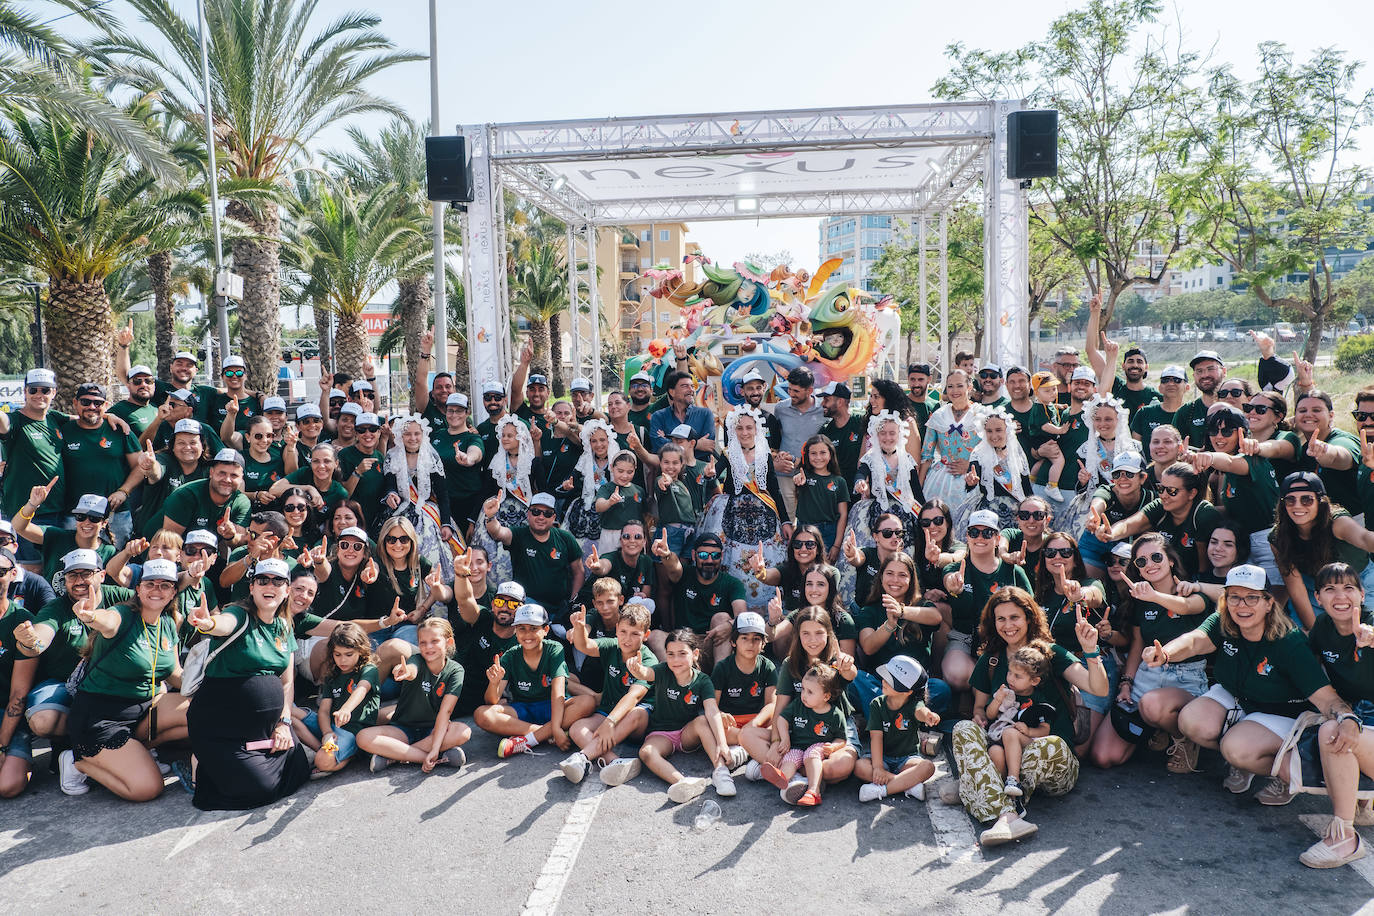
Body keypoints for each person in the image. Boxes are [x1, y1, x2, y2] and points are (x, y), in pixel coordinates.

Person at [1168, 564, 1350, 809]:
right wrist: (1166, 652)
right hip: (1241, 698)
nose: (1242, 605)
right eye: (1235, 597)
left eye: (1252, 597)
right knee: (1192, 720)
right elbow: (1194, 641)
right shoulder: (1223, 621)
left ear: (1268, 603)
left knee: (1237, 749)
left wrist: (1346, 718)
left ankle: (1287, 776)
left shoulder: (1289, 642)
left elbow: (1325, 697)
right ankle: (1243, 761)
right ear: (1225, 601)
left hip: (1282, 711)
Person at [953, 587, 1108, 846]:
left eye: (1014, 617)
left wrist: (1091, 652)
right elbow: (979, 708)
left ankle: (981, 790)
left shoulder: (1051, 654)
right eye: (1000, 619)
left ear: (1029, 618)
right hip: (1004, 752)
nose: (1007, 625)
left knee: (1049, 745)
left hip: (1050, 761)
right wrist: (980, 717)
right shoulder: (990, 660)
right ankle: (1008, 814)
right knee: (963, 728)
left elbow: (1099, 689)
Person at [52, 559, 188, 801]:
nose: (157, 590)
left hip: (142, 711)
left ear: (173, 591)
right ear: (138, 588)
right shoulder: (123, 615)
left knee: (202, 711)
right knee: (147, 788)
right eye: (150, 584)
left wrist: (205, 685)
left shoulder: (167, 623)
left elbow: (174, 672)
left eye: (165, 585)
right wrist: (91, 616)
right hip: (101, 719)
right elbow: (106, 621)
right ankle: (77, 762)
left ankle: (134, 753)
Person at [181, 557, 311, 809]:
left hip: (266, 729)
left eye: (277, 581)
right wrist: (208, 624)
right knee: (260, 790)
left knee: (299, 772)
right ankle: (203, 765)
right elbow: (223, 624)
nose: (269, 586)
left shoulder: (284, 626)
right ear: (251, 587)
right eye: (262, 580)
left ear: (286, 591)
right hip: (222, 728)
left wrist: (283, 723)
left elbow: (286, 682)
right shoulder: (239, 614)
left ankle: (214, 765)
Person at [1089, 533, 1212, 773]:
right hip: (1147, 676)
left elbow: (1188, 608)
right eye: (1141, 561)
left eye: (1156, 557)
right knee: (1102, 756)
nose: (1150, 564)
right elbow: (1137, 645)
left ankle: (1181, 737)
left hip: (1185, 679)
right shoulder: (1140, 599)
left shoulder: (1188, 590)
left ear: (1172, 561)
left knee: (1152, 705)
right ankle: (1157, 728)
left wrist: (1154, 596)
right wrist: (1126, 683)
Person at [1300, 563, 1374, 868]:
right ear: (1318, 597)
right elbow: (1306, 661)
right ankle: (1364, 802)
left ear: (1362, 593)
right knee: (1326, 727)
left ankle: (1345, 837)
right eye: (1330, 589)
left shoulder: (1369, 624)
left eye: (1348, 588)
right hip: (1359, 715)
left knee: (1333, 733)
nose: (1340, 596)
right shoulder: (1323, 628)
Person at [624, 628, 734, 804]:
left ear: (695, 654)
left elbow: (712, 710)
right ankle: (683, 783)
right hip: (661, 734)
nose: (676, 660)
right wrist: (636, 669)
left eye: (682, 653)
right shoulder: (662, 671)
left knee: (702, 721)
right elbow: (645, 673)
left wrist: (722, 744)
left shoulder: (703, 680)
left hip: (686, 733)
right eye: (671, 654)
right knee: (646, 753)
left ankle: (721, 772)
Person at [698, 406, 790, 609]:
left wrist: (785, 520)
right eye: (740, 428)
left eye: (749, 427)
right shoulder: (728, 453)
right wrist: (711, 475)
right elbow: (714, 477)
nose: (745, 432)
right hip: (731, 513)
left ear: (757, 429)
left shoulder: (765, 455)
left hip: (764, 513)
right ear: (733, 430)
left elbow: (774, 490)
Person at [559, 599, 656, 784]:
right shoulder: (612, 645)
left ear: (646, 635)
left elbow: (633, 696)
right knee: (577, 729)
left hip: (637, 720)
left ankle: (583, 757)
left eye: (635, 634)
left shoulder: (649, 660)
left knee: (636, 713)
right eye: (623, 632)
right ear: (617, 628)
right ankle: (614, 761)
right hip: (609, 710)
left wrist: (610, 723)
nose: (627, 639)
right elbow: (584, 646)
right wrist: (579, 628)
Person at [356, 617, 471, 773]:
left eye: (435, 641)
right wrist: (405, 672)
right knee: (362, 737)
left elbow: (446, 712)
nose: (428, 647)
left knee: (464, 732)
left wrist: (435, 747)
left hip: (433, 730)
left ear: (449, 642)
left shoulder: (456, 670)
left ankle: (394, 756)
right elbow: (411, 670)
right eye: (422, 642)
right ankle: (433, 757)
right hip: (403, 729)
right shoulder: (416, 659)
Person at [1187, 406, 1281, 586]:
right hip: (1243, 541)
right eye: (1214, 431)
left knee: (1272, 598)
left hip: (1267, 541)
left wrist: (1209, 457)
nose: (1219, 437)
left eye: (1227, 431)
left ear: (1242, 433)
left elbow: (1230, 462)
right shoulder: (1224, 471)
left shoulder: (1250, 458)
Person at [942, 510, 1033, 693]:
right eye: (974, 532)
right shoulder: (956, 568)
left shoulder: (1013, 571)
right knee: (957, 673)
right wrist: (953, 586)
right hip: (966, 637)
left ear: (997, 538)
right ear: (967, 536)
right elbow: (949, 579)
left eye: (987, 533)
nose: (980, 538)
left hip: (1005, 637)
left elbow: (1032, 611)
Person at [1034, 531, 1110, 747]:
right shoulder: (1041, 592)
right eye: (1050, 552)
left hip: (1089, 664)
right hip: (1053, 666)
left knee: (1081, 746)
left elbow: (1094, 596)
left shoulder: (1091, 583)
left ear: (1076, 557)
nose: (1058, 556)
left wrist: (1079, 595)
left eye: (1065, 552)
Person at [1269, 472, 1374, 627]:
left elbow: (1365, 539)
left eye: (1307, 499)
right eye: (1290, 500)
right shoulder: (1279, 536)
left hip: (1360, 581)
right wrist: (1316, 636)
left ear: (1320, 501)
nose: (1297, 505)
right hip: (1315, 586)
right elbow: (1296, 590)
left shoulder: (1337, 523)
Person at [474, 603, 575, 758]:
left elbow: (558, 692)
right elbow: (491, 701)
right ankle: (543, 734)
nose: (527, 634)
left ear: (545, 630)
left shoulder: (554, 649)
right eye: (522, 628)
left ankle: (527, 740)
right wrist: (494, 683)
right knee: (482, 714)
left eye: (534, 628)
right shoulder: (510, 655)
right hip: (524, 710)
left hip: (554, 707)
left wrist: (555, 726)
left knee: (586, 702)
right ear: (515, 631)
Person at [854, 552, 948, 715]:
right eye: (889, 573)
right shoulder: (870, 610)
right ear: (881, 576)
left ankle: (886, 718)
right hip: (881, 685)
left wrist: (902, 611)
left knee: (941, 689)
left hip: (915, 688)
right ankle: (907, 718)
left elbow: (936, 617)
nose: (895, 580)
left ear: (911, 579)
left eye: (902, 575)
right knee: (856, 679)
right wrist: (889, 625)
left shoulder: (922, 605)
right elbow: (868, 647)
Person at [1095, 462, 1221, 579]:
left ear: (1192, 493)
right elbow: (1129, 525)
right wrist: (1111, 533)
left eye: (1172, 491)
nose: (1163, 495)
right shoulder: (1160, 506)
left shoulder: (1203, 514)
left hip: (1194, 583)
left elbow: (1204, 568)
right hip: (1165, 578)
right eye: (1161, 488)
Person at [0, 369, 70, 572]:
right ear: (25, 392)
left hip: (58, 512)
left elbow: (84, 418)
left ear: (54, 392)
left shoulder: (55, 418)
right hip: (26, 512)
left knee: (55, 569)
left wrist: (110, 417)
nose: (40, 395)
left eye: (45, 390)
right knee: (30, 569)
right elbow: (3, 422)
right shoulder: (15, 422)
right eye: (34, 390)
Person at [60, 382, 144, 547]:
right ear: (75, 403)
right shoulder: (63, 430)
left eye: (97, 403)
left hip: (115, 514)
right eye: (85, 402)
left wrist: (124, 491)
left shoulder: (120, 430)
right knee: (76, 563)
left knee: (117, 562)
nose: (92, 406)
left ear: (106, 405)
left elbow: (141, 467)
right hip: (75, 515)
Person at [481, 492, 584, 626]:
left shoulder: (565, 538)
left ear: (553, 517)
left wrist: (572, 602)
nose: (541, 517)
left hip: (560, 608)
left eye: (547, 513)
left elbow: (578, 572)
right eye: (536, 512)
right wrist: (490, 516)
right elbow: (498, 532)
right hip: (526, 606)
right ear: (528, 514)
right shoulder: (518, 534)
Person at [753, 662, 848, 807]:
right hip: (797, 745)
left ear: (826, 696)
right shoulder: (798, 704)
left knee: (812, 754)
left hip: (817, 746)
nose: (804, 695)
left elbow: (842, 738)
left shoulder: (835, 715)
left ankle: (813, 791)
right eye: (803, 689)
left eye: (810, 692)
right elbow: (782, 719)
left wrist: (833, 747)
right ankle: (782, 777)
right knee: (791, 758)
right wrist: (784, 738)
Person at [856, 654, 940, 803]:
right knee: (859, 767)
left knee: (927, 767)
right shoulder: (877, 704)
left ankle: (882, 789)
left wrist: (929, 716)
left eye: (891, 681)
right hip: (882, 757)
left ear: (908, 691)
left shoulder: (914, 704)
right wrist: (878, 768)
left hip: (907, 760)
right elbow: (876, 738)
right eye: (885, 676)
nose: (884, 681)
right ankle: (905, 784)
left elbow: (921, 712)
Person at [381, 415, 455, 578]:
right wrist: (391, 494)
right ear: (400, 435)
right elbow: (389, 485)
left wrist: (446, 523)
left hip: (428, 512)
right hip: (400, 513)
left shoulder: (431, 456)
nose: (413, 438)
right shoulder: (392, 456)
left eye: (417, 434)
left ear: (423, 434)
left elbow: (443, 494)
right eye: (408, 434)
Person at [657, 532, 746, 664]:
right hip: (682, 644)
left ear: (721, 556)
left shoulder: (732, 583)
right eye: (703, 555)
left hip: (711, 643)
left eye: (715, 555)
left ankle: (718, 680)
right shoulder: (684, 574)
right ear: (694, 555)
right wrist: (667, 555)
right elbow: (674, 567)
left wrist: (729, 625)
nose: (709, 560)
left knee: (722, 618)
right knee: (655, 636)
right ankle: (675, 680)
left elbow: (742, 616)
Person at [984, 644, 1057, 799]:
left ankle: (1014, 780)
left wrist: (1029, 731)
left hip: (1026, 744)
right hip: (1001, 741)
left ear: (1034, 681)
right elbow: (990, 715)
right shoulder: (1005, 692)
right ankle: (1004, 789)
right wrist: (997, 700)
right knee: (994, 752)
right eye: (1010, 672)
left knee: (1010, 733)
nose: (1011, 678)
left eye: (1018, 676)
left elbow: (1045, 730)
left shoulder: (1038, 700)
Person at [850, 410, 924, 559]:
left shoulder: (907, 459)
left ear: (899, 434)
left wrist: (924, 512)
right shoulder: (871, 457)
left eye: (892, 433)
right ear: (876, 435)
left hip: (904, 514)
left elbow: (916, 490)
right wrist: (860, 482)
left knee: (903, 554)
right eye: (883, 433)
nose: (888, 437)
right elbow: (860, 472)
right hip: (880, 513)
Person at [14, 488, 116, 591]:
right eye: (81, 516)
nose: (86, 522)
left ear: (104, 523)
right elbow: (18, 527)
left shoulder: (110, 552)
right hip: (51, 603)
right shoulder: (57, 536)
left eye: (94, 518)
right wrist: (32, 504)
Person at [708, 611, 776, 761]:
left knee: (779, 724)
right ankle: (751, 748)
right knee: (710, 726)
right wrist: (720, 713)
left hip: (758, 722)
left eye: (756, 639)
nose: (750, 644)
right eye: (744, 638)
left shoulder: (767, 667)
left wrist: (754, 724)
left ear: (763, 643)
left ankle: (745, 750)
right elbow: (712, 704)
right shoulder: (723, 667)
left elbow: (771, 705)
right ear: (733, 641)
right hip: (732, 722)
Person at [1080, 452, 1153, 578]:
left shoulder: (1152, 498)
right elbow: (1098, 503)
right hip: (1098, 542)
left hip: (1132, 547)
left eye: (1129, 474)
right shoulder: (1106, 490)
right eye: (1117, 474)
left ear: (1143, 478)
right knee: (1086, 577)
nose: (1122, 478)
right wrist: (1093, 517)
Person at [1288, 390, 1362, 515]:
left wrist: (1326, 452)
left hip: (1354, 523)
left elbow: (1340, 456)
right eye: (1302, 411)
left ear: (1331, 415)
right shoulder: (1304, 448)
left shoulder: (1343, 440)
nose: (1308, 414)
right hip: (1320, 525)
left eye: (1316, 410)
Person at [960, 407, 1033, 533]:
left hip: (1016, 513)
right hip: (989, 513)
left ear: (1007, 430)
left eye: (998, 430)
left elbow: (1026, 486)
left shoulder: (1016, 452)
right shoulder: (978, 453)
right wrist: (970, 482)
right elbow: (972, 479)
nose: (994, 436)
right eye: (989, 431)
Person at [0, 551, 37, 798]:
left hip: (9, 717)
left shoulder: (22, 621)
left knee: (8, 786)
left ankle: (22, 762)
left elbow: (19, 694)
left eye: (0, 572)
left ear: (13, 574)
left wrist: (1, 746)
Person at [136, 418, 212, 537]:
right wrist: (149, 466)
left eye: (193, 443)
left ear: (202, 446)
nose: (187, 447)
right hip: (152, 539)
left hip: (191, 543)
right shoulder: (165, 459)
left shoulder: (209, 470)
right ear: (172, 446)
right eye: (181, 443)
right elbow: (156, 472)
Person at [919, 370, 981, 514]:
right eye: (950, 386)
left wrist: (970, 465)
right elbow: (926, 456)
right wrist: (919, 490)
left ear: (969, 386)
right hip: (940, 479)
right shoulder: (938, 415)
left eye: (959, 385)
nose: (954, 391)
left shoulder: (981, 414)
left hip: (972, 478)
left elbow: (989, 451)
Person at [770, 366, 825, 520]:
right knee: (787, 519)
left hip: (811, 474)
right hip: (785, 475)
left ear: (809, 390)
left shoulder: (822, 409)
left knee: (810, 520)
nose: (791, 394)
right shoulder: (781, 408)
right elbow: (776, 438)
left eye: (796, 391)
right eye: (790, 389)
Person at [430, 393, 485, 539]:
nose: (454, 414)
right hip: (441, 502)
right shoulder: (437, 436)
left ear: (467, 413)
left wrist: (468, 459)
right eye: (450, 410)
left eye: (459, 411)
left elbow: (476, 452)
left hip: (468, 503)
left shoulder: (473, 437)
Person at [790, 435, 849, 560]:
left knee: (824, 570)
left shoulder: (839, 481)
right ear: (807, 455)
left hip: (828, 532)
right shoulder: (803, 475)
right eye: (813, 453)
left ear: (830, 454)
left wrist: (837, 545)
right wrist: (798, 478)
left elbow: (843, 515)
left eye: (823, 452)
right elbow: (798, 478)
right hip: (804, 530)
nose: (818, 457)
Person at [648, 370, 716, 458]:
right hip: (670, 470)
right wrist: (696, 444)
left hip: (698, 470)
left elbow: (708, 447)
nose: (691, 390)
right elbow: (658, 446)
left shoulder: (705, 414)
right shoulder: (659, 417)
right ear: (672, 392)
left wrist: (668, 441)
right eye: (685, 386)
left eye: (692, 386)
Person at [593, 451, 645, 556]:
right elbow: (598, 506)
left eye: (629, 472)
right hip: (611, 535)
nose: (625, 476)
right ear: (612, 468)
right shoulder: (607, 488)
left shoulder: (639, 490)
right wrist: (609, 502)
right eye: (620, 471)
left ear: (635, 469)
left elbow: (644, 516)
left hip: (633, 537)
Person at [1172, 350, 1226, 448]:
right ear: (1194, 376)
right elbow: (1175, 449)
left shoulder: (1237, 406)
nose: (1205, 375)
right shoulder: (1185, 412)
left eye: (1210, 369)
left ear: (1224, 371)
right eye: (1199, 371)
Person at [818, 381, 864, 486]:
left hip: (859, 488)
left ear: (840, 402)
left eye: (827, 400)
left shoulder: (860, 422)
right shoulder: (826, 430)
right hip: (836, 491)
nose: (822, 404)